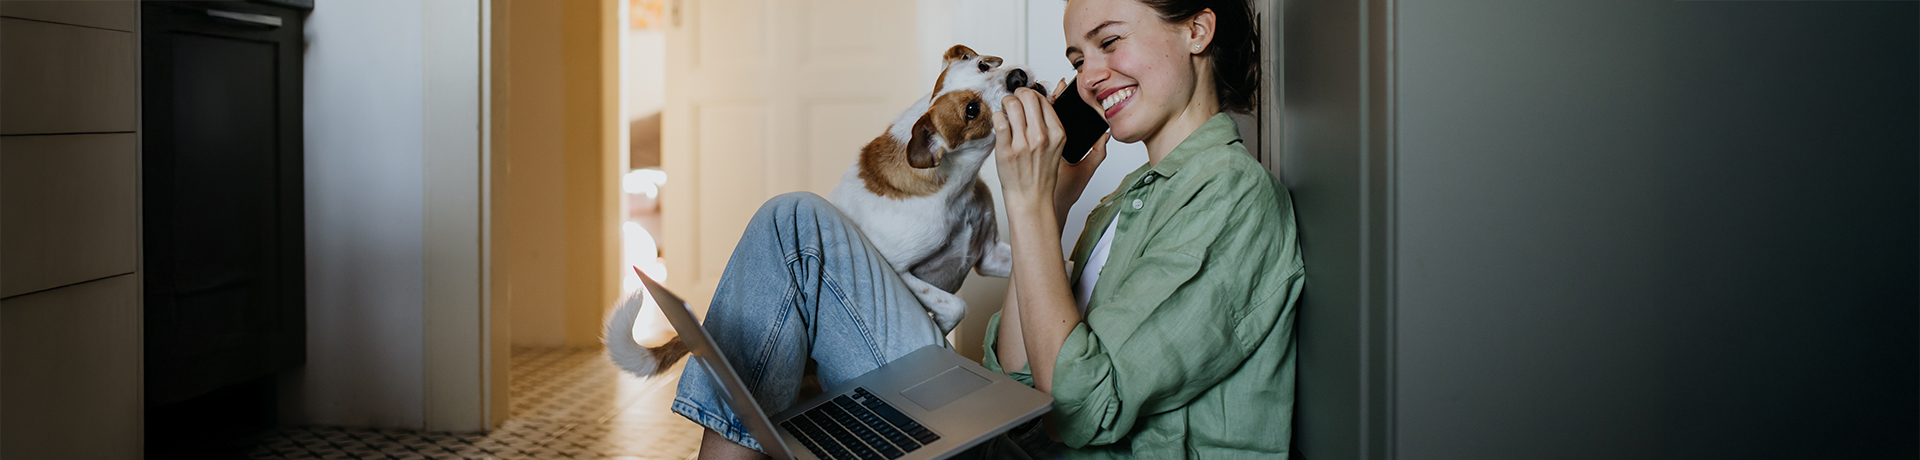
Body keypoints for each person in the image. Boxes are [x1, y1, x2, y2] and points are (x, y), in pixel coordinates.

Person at [671, 0, 1301, 457]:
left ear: (1198, 28)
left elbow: (1081, 410)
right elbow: (1019, 372)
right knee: (793, 220)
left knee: (797, 229)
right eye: (1079, 58)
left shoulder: (1230, 196)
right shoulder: (1128, 199)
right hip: (1008, 436)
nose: (1089, 77)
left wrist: (1025, 204)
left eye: (1110, 42)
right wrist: (1049, 208)